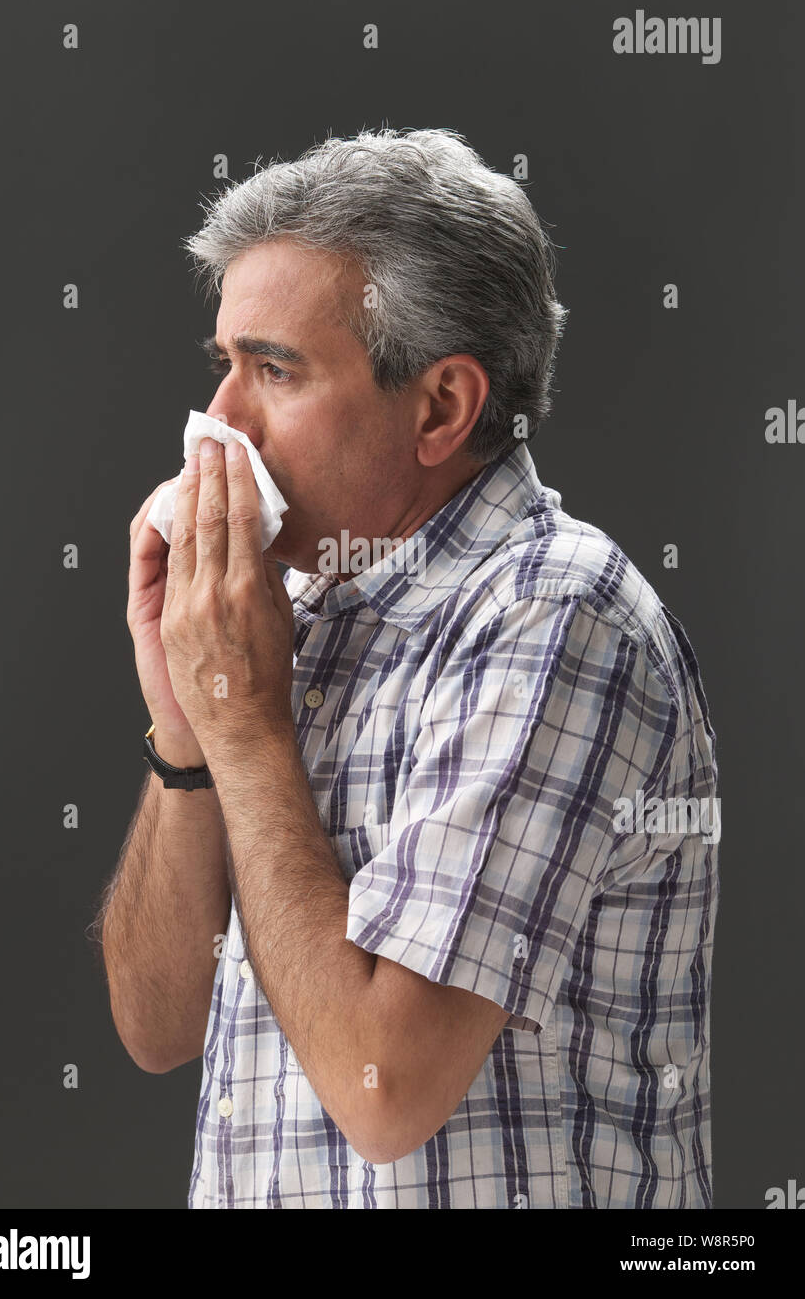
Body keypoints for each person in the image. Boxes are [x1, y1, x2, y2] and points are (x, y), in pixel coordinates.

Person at [97, 127, 720, 1209]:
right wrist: (188, 728)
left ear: (441, 408)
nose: (219, 425)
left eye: (274, 370)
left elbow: (383, 1090)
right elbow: (156, 1027)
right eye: (223, 366)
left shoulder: (553, 615)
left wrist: (244, 721)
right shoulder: (289, 615)